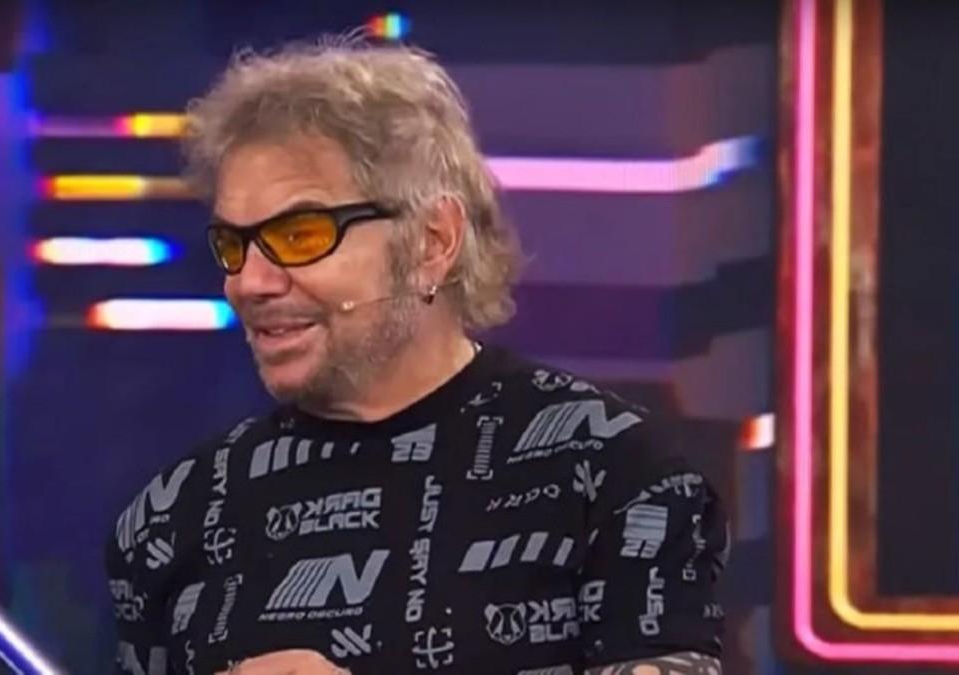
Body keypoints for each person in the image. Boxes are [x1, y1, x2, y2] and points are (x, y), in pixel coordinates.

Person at [106, 35, 728, 675]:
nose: (248, 283)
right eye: (234, 245)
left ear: (432, 243)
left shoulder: (617, 474)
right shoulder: (171, 517)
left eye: (299, 235)